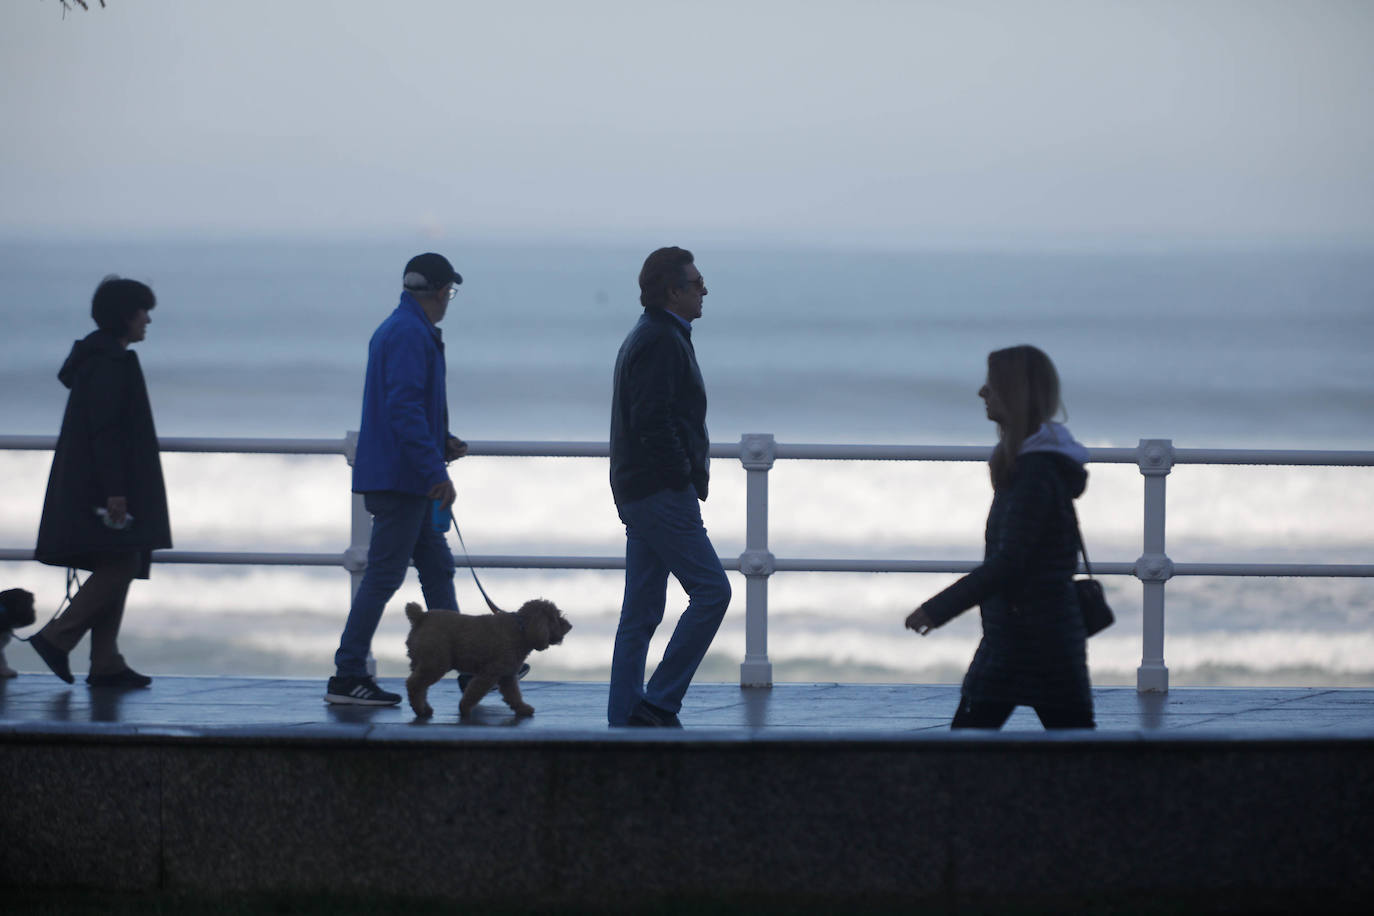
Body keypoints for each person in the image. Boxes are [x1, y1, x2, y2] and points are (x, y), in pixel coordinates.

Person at [904, 345, 1095, 730]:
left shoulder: (1034, 474)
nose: (982, 392)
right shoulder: (1032, 465)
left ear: (1013, 393)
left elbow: (1009, 562)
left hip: (1027, 639)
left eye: (992, 385)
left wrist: (937, 609)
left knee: (968, 751)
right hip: (1037, 635)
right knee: (1076, 748)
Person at [326, 253, 470, 706]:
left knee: (437, 569)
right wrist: (435, 471)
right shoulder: (410, 334)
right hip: (403, 480)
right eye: (450, 291)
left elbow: (405, 408)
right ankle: (348, 674)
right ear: (440, 290)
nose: (449, 299)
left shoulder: (398, 327)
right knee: (384, 576)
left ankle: (468, 666)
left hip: (401, 474)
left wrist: (439, 440)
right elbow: (403, 408)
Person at [607, 246, 732, 727]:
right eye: (697, 283)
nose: (704, 291)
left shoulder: (654, 334)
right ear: (672, 291)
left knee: (639, 614)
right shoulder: (661, 339)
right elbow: (652, 419)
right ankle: (658, 704)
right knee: (712, 591)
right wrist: (682, 474)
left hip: (640, 491)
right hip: (659, 493)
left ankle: (624, 718)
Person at [30, 276, 172, 688]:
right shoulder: (109, 363)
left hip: (91, 482)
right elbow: (106, 431)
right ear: (125, 316)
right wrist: (115, 492)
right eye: (143, 312)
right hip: (101, 487)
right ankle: (58, 637)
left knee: (118, 559)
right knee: (123, 560)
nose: (147, 320)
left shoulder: (101, 358)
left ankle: (106, 660)